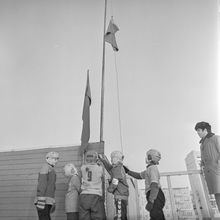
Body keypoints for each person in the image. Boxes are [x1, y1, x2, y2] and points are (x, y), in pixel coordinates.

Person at [124, 149, 165, 220]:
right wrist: (127, 171)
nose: (146, 158)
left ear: (150, 157)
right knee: (156, 216)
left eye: (148, 156)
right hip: (155, 195)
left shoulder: (152, 168)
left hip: (155, 195)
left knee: (156, 216)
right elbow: (139, 175)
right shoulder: (149, 169)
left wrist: (151, 201)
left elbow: (154, 185)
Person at [195, 121, 220, 212]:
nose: (197, 133)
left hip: (217, 173)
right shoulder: (202, 144)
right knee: (218, 199)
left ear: (205, 130)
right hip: (211, 175)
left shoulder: (216, 138)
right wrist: (202, 164)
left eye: (199, 130)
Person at [98, 151, 129, 220]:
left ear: (116, 159)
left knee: (120, 216)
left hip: (120, 196)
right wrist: (103, 160)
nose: (111, 160)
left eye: (112, 158)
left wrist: (110, 189)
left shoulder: (117, 169)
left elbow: (115, 181)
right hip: (122, 195)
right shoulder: (118, 167)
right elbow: (110, 168)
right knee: (122, 214)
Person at [79, 150, 106, 220]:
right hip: (95, 195)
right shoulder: (100, 168)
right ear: (96, 159)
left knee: (84, 217)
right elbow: (103, 179)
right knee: (98, 216)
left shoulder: (82, 168)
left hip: (84, 195)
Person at [34, 151, 59, 220]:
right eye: (54, 158)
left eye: (57, 159)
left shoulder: (52, 170)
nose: (56, 161)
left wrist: (53, 200)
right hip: (43, 199)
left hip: (48, 200)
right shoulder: (45, 168)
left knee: (45, 217)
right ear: (47, 159)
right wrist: (41, 197)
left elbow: (52, 187)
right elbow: (42, 183)